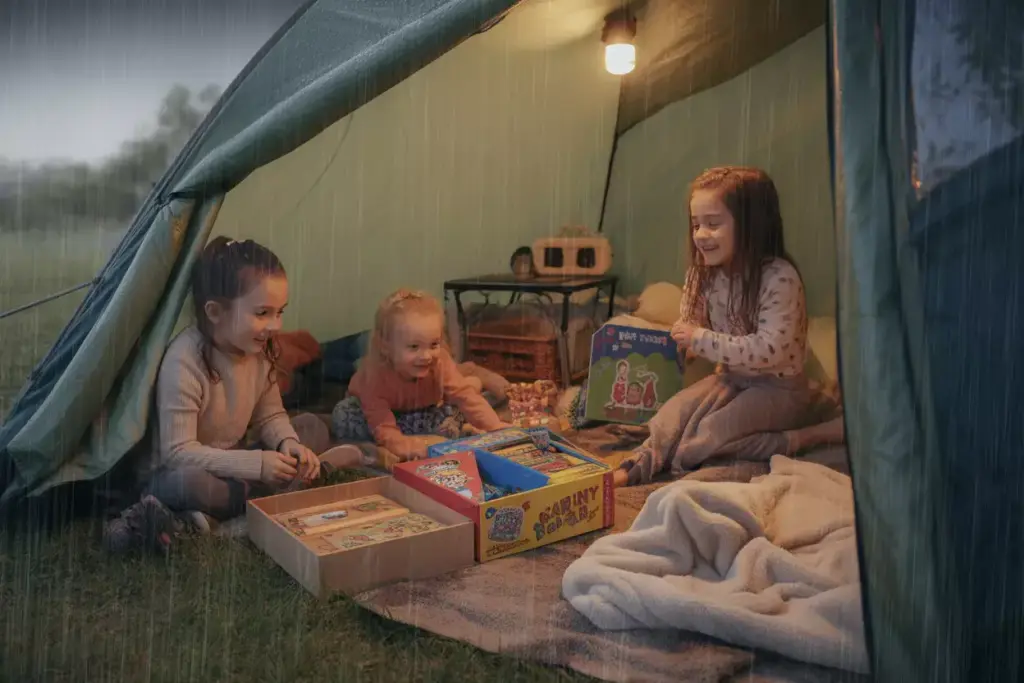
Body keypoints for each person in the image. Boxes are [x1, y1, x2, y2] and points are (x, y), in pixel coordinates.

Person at [103, 237, 361, 553]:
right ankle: (279, 493)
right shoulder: (184, 362)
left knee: (310, 427)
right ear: (215, 312)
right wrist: (257, 465)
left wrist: (288, 445)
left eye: (280, 312)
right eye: (262, 312)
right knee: (190, 483)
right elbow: (178, 452)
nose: (274, 325)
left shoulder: (260, 351)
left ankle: (223, 513)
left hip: (234, 463)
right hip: (179, 470)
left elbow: (271, 415)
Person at [615, 166, 841, 487]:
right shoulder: (703, 272)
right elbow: (691, 321)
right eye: (696, 224)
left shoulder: (779, 276)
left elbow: (768, 351)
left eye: (713, 224)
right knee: (671, 418)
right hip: (730, 379)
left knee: (707, 438)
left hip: (779, 389)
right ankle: (631, 469)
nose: (701, 235)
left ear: (750, 226)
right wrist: (684, 344)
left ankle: (804, 437)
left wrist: (700, 338)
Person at [331, 288, 510, 461]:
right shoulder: (375, 375)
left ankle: (472, 375)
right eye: (414, 347)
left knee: (455, 411)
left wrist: (493, 425)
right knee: (344, 416)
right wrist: (398, 443)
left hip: (421, 411)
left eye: (433, 344)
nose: (426, 356)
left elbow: (464, 396)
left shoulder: (440, 361)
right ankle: (470, 377)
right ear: (386, 347)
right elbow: (380, 422)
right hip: (375, 412)